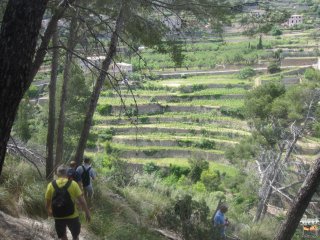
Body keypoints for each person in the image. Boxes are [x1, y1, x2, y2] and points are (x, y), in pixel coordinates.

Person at [45, 165, 90, 240]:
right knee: (75, 236)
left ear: (56, 174)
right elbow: (82, 201)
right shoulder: (73, 184)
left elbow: (47, 204)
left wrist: (49, 212)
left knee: (63, 236)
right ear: (67, 174)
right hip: (72, 216)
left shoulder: (50, 185)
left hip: (58, 216)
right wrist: (87, 213)